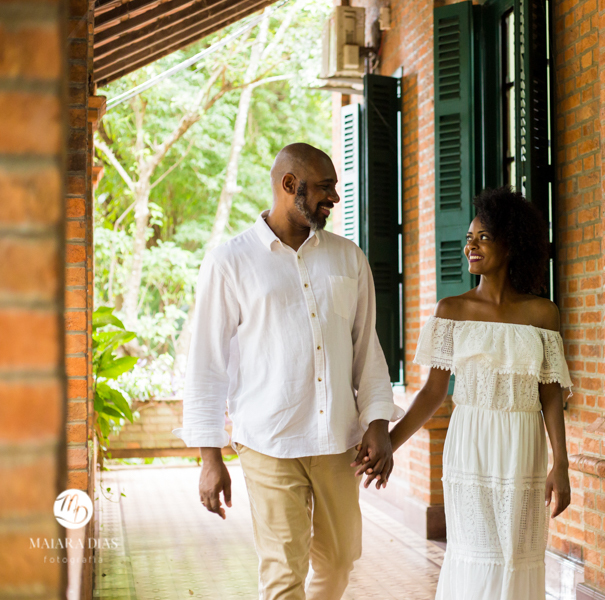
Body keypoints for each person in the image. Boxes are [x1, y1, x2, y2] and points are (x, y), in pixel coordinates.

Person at [172, 143, 402, 600]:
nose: (334, 198)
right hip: (268, 440)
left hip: (339, 440)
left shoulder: (348, 259)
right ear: (289, 185)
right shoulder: (229, 262)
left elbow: (366, 348)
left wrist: (377, 423)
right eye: (325, 188)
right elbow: (207, 365)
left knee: (339, 561)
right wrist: (209, 458)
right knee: (283, 572)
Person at [387, 187, 572, 600]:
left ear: (512, 243)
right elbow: (433, 394)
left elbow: (551, 397)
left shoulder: (543, 313)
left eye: (483, 236)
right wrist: (390, 444)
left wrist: (561, 464)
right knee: (475, 552)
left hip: (523, 446)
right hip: (471, 444)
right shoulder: (451, 311)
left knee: (518, 553)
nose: (471, 244)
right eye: (469, 237)